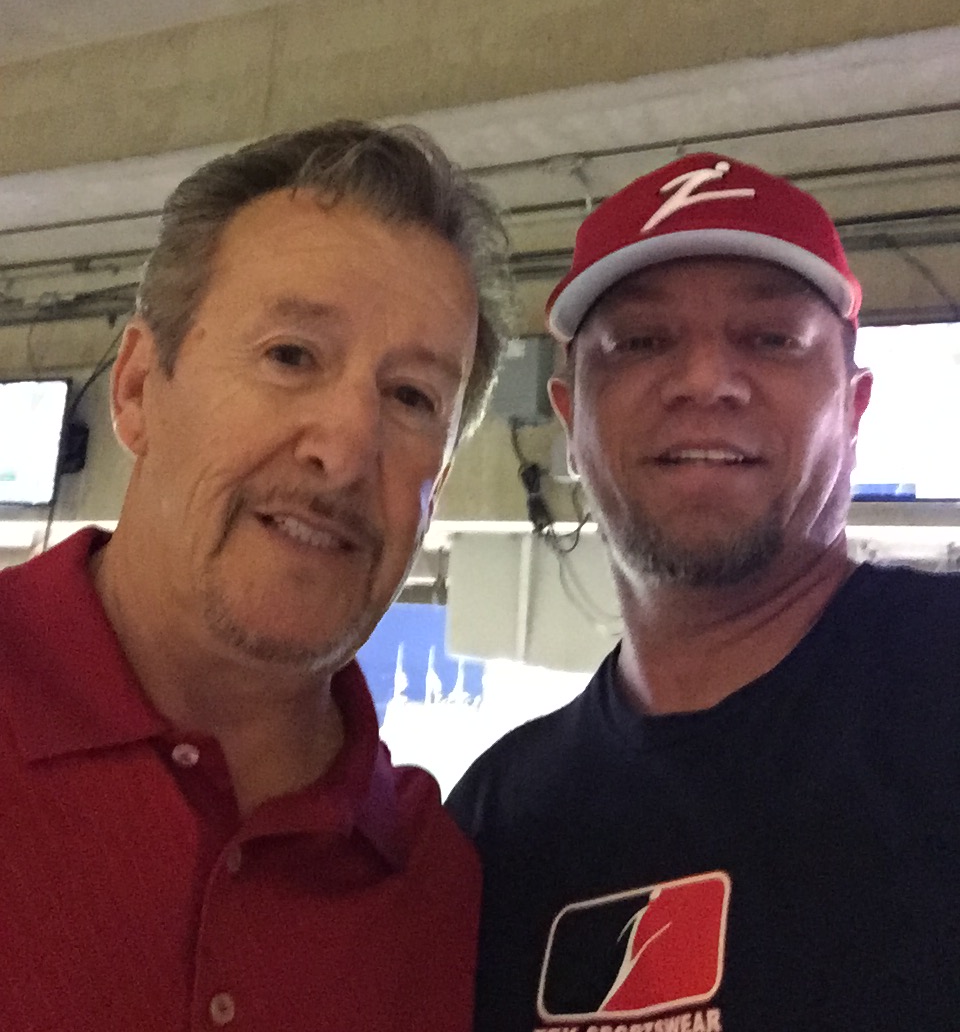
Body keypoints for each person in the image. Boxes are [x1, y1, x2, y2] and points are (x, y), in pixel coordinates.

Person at [0, 121, 511, 1032]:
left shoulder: (434, 886)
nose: (345, 450)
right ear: (137, 388)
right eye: (290, 355)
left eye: (411, 397)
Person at [447, 153, 960, 1032]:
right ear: (571, 419)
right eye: (642, 342)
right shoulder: (498, 821)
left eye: (771, 338)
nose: (704, 381)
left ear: (854, 409)